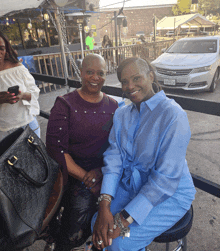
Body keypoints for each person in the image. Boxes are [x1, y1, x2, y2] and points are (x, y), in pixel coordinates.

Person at [92, 57, 196, 251]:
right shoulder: (122, 113)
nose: (130, 86)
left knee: (119, 242)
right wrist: (104, 203)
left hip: (169, 194)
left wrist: (124, 220)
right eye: (124, 81)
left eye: (136, 78)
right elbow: (114, 158)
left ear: (150, 76)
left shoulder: (173, 116)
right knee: (97, 225)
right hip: (132, 186)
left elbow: (164, 180)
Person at [46, 54, 119, 251]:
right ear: (81, 73)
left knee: (114, 220)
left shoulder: (114, 106)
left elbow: (118, 147)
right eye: (90, 72)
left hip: (105, 172)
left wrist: (102, 172)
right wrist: (88, 177)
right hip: (72, 174)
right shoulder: (65, 104)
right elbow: (56, 149)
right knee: (73, 232)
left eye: (101, 73)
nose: (95, 77)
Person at [0, 31, 40, 141]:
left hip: (28, 124)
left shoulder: (18, 68)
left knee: (35, 157)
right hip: (3, 132)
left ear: (6, 50)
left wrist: (22, 95)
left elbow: (35, 93)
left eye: (1, 48)